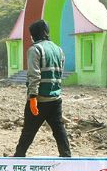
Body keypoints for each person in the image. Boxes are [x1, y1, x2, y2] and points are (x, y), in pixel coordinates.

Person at [11, 19, 71, 157]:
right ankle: (67, 157)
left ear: (33, 35)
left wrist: (32, 97)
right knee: (59, 129)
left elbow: (34, 75)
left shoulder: (35, 49)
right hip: (56, 99)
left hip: (39, 99)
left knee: (28, 131)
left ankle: (19, 156)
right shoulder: (58, 50)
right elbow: (59, 73)